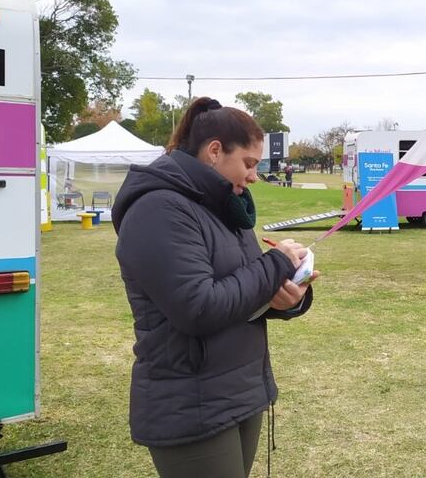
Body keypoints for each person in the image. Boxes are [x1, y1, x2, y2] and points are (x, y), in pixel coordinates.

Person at [112, 97, 318, 478]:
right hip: (190, 402)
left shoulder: (225, 206)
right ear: (214, 152)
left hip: (240, 388)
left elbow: (242, 288)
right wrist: (275, 265)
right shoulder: (159, 208)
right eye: (249, 163)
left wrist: (287, 297)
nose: (254, 176)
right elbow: (199, 307)